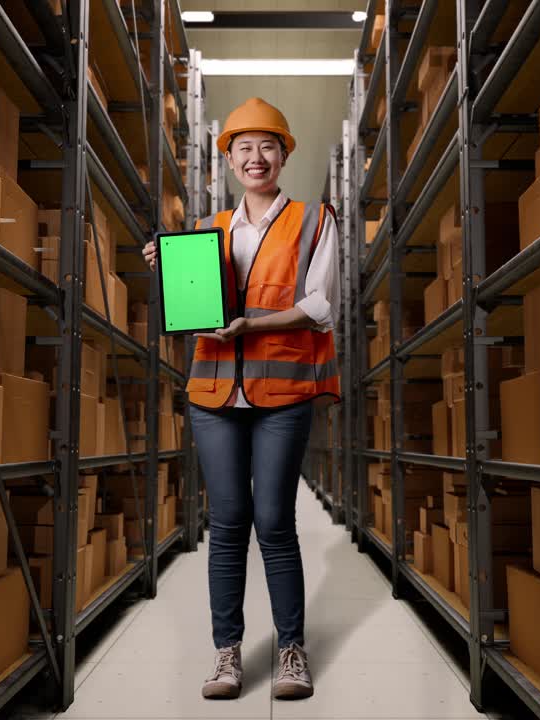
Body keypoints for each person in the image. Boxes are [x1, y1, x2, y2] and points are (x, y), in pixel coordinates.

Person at [143, 97, 340, 701]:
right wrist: (166, 265)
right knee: (227, 523)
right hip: (213, 393)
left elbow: (319, 305)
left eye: (267, 147)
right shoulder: (208, 231)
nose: (256, 158)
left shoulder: (313, 220)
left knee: (275, 522)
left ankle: (290, 651)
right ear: (229, 161)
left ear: (283, 155)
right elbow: (194, 305)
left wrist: (250, 327)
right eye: (243, 148)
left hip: (281, 393)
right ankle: (226, 654)